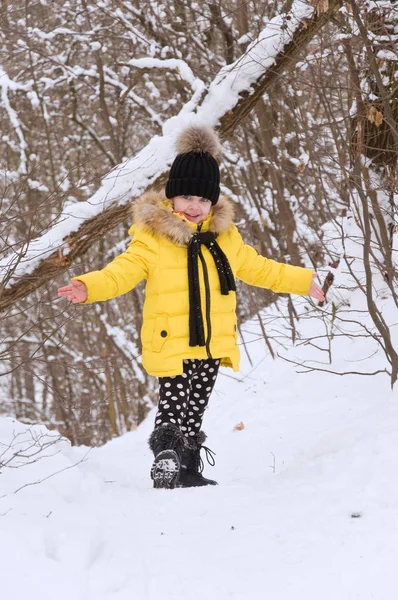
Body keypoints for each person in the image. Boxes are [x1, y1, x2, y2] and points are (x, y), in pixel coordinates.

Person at [58, 125, 325, 490]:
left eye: (203, 199)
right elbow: (121, 272)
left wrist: (301, 281)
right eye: (186, 197)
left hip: (212, 342)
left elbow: (261, 268)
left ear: (213, 202)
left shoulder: (226, 240)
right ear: (171, 198)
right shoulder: (153, 239)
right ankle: (166, 456)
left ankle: (187, 467)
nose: (194, 206)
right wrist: (88, 286)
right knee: (173, 401)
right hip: (170, 339)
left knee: (195, 407)